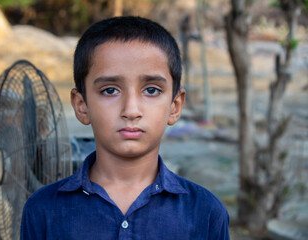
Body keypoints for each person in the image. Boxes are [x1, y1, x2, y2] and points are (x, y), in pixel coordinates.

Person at [20, 16, 230, 239]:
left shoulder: (205, 213)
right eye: (110, 90)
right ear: (82, 106)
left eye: (151, 90)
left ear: (175, 106)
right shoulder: (42, 210)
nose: (131, 110)